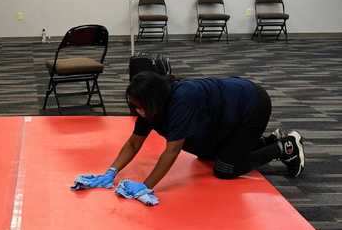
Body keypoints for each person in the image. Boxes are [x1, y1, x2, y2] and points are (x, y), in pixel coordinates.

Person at [98, 71, 305, 203]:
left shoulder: (182, 100)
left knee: (224, 169)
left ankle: (284, 147)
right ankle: (267, 141)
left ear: (152, 101)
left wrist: (146, 186)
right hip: (224, 118)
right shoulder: (150, 107)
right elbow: (134, 142)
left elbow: (172, 150)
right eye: (134, 106)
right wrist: (110, 171)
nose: (137, 111)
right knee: (205, 154)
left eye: (139, 107)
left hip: (251, 106)